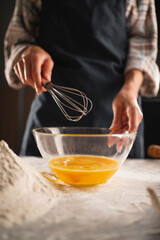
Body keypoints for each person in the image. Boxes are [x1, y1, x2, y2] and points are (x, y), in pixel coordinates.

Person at [4, 0, 160, 158]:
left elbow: (143, 50)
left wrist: (130, 90)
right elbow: (17, 43)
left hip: (118, 123)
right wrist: (27, 52)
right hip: (51, 127)